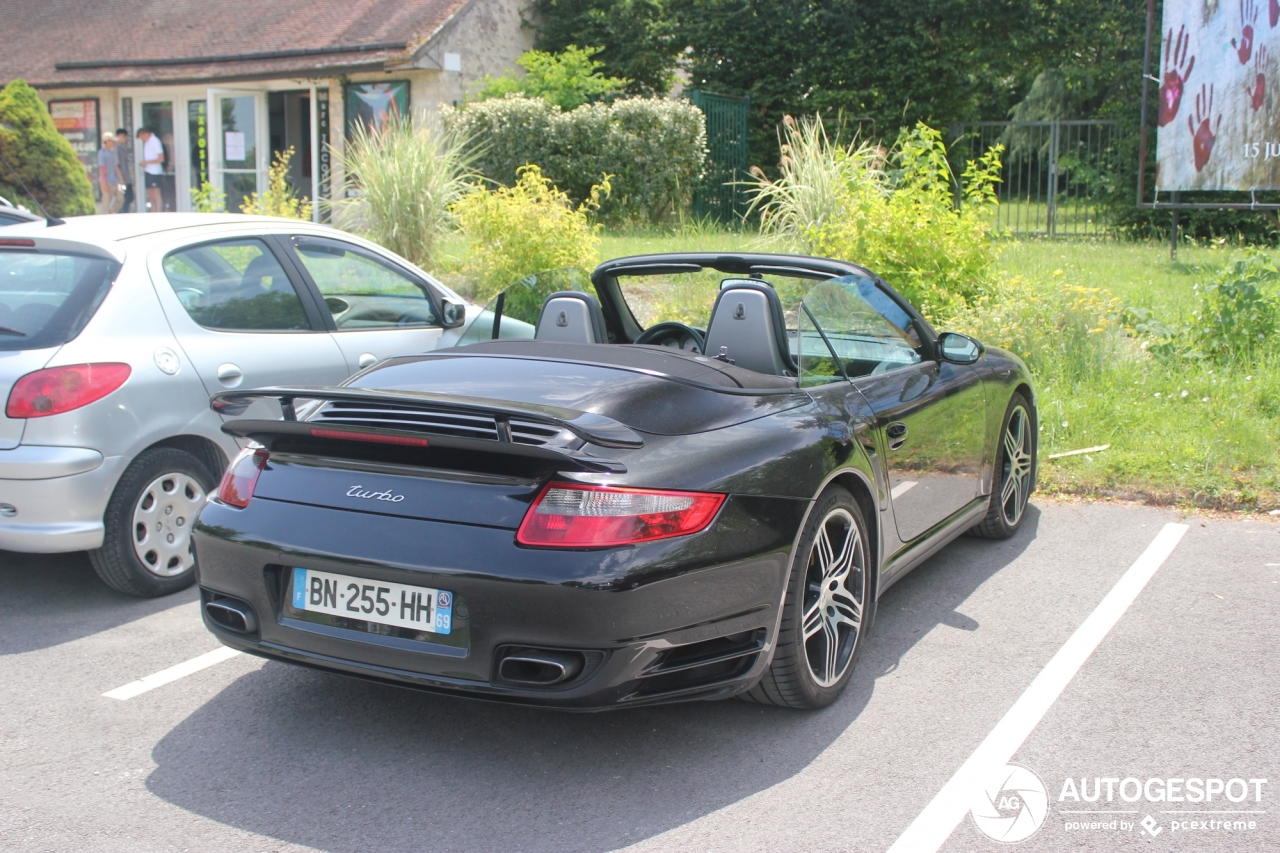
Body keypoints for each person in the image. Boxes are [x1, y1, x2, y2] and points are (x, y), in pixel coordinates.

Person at [136, 127, 164, 212]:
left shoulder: (155, 141)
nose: (142, 140)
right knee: (150, 194)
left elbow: (161, 158)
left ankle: (158, 211)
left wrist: (147, 162)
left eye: (142, 137)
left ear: (145, 134)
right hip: (148, 171)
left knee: (155, 193)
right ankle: (153, 210)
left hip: (155, 171)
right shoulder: (147, 143)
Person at [96, 132, 124, 215]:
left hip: (115, 180)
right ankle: (105, 216)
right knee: (106, 201)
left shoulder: (112, 153)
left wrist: (120, 179)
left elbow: (116, 166)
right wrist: (104, 183)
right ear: (107, 141)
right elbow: (101, 168)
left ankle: (112, 211)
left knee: (120, 199)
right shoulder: (102, 153)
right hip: (107, 181)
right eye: (112, 141)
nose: (114, 143)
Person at [115, 128, 134, 213]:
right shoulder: (116, 148)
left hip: (126, 177)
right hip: (122, 178)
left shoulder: (122, 148)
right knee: (126, 198)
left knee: (130, 197)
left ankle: (124, 212)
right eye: (123, 137)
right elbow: (116, 164)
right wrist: (121, 179)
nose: (124, 139)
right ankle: (122, 213)